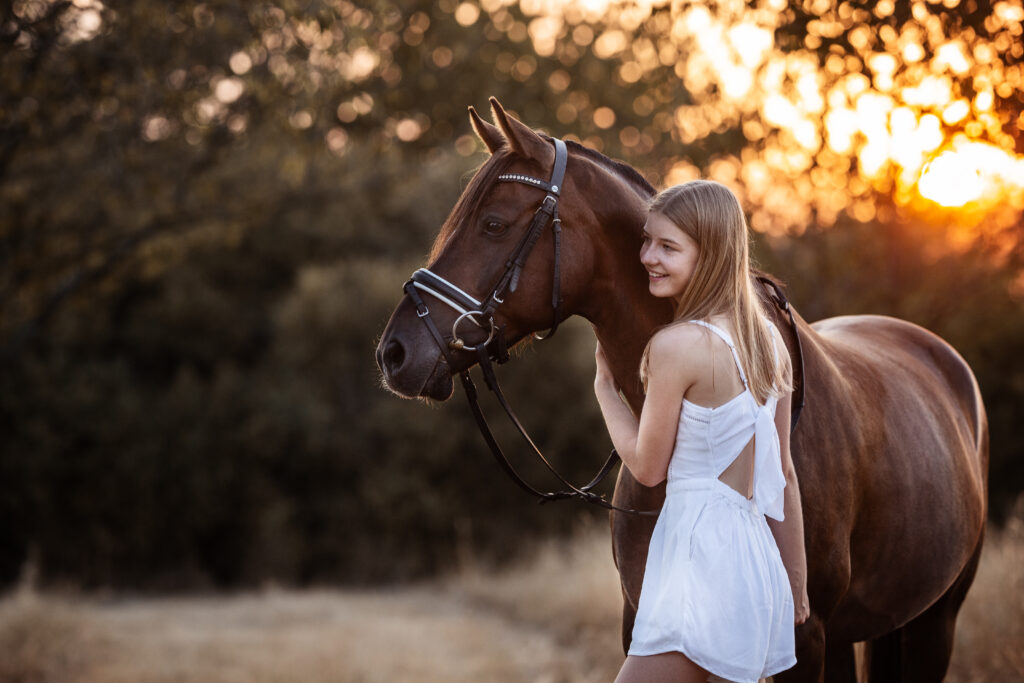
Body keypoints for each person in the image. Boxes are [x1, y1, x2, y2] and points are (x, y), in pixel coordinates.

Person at [593, 180, 810, 683]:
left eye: (669, 247)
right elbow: (785, 475)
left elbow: (648, 468)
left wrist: (605, 388)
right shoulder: (770, 345)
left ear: (711, 255)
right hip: (755, 565)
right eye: (648, 240)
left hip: (701, 562)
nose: (648, 256)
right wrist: (795, 583)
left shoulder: (677, 346)